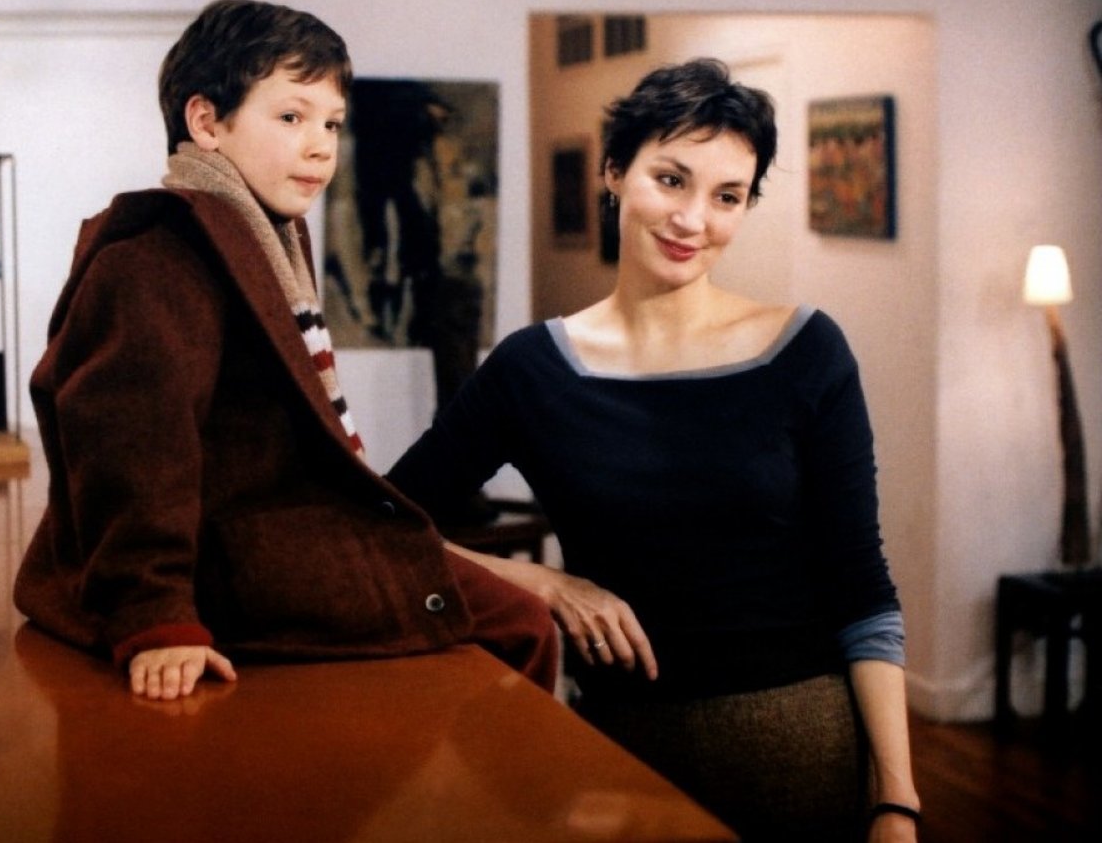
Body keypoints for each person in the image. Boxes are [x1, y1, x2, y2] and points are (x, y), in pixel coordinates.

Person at [388, 59, 919, 842]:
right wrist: (540, 582)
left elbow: (862, 588)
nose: (693, 219)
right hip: (612, 758)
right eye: (671, 180)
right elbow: (380, 529)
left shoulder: (807, 351)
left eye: (727, 196)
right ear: (614, 171)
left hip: (801, 756)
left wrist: (896, 801)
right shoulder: (532, 370)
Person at [12, 0, 558, 703]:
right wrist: (155, 617)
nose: (321, 146)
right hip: (231, 567)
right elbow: (133, 447)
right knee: (519, 625)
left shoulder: (264, 234)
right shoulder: (157, 256)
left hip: (270, 546)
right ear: (206, 122)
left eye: (332, 123)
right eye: (292, 117)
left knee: (515, 614)